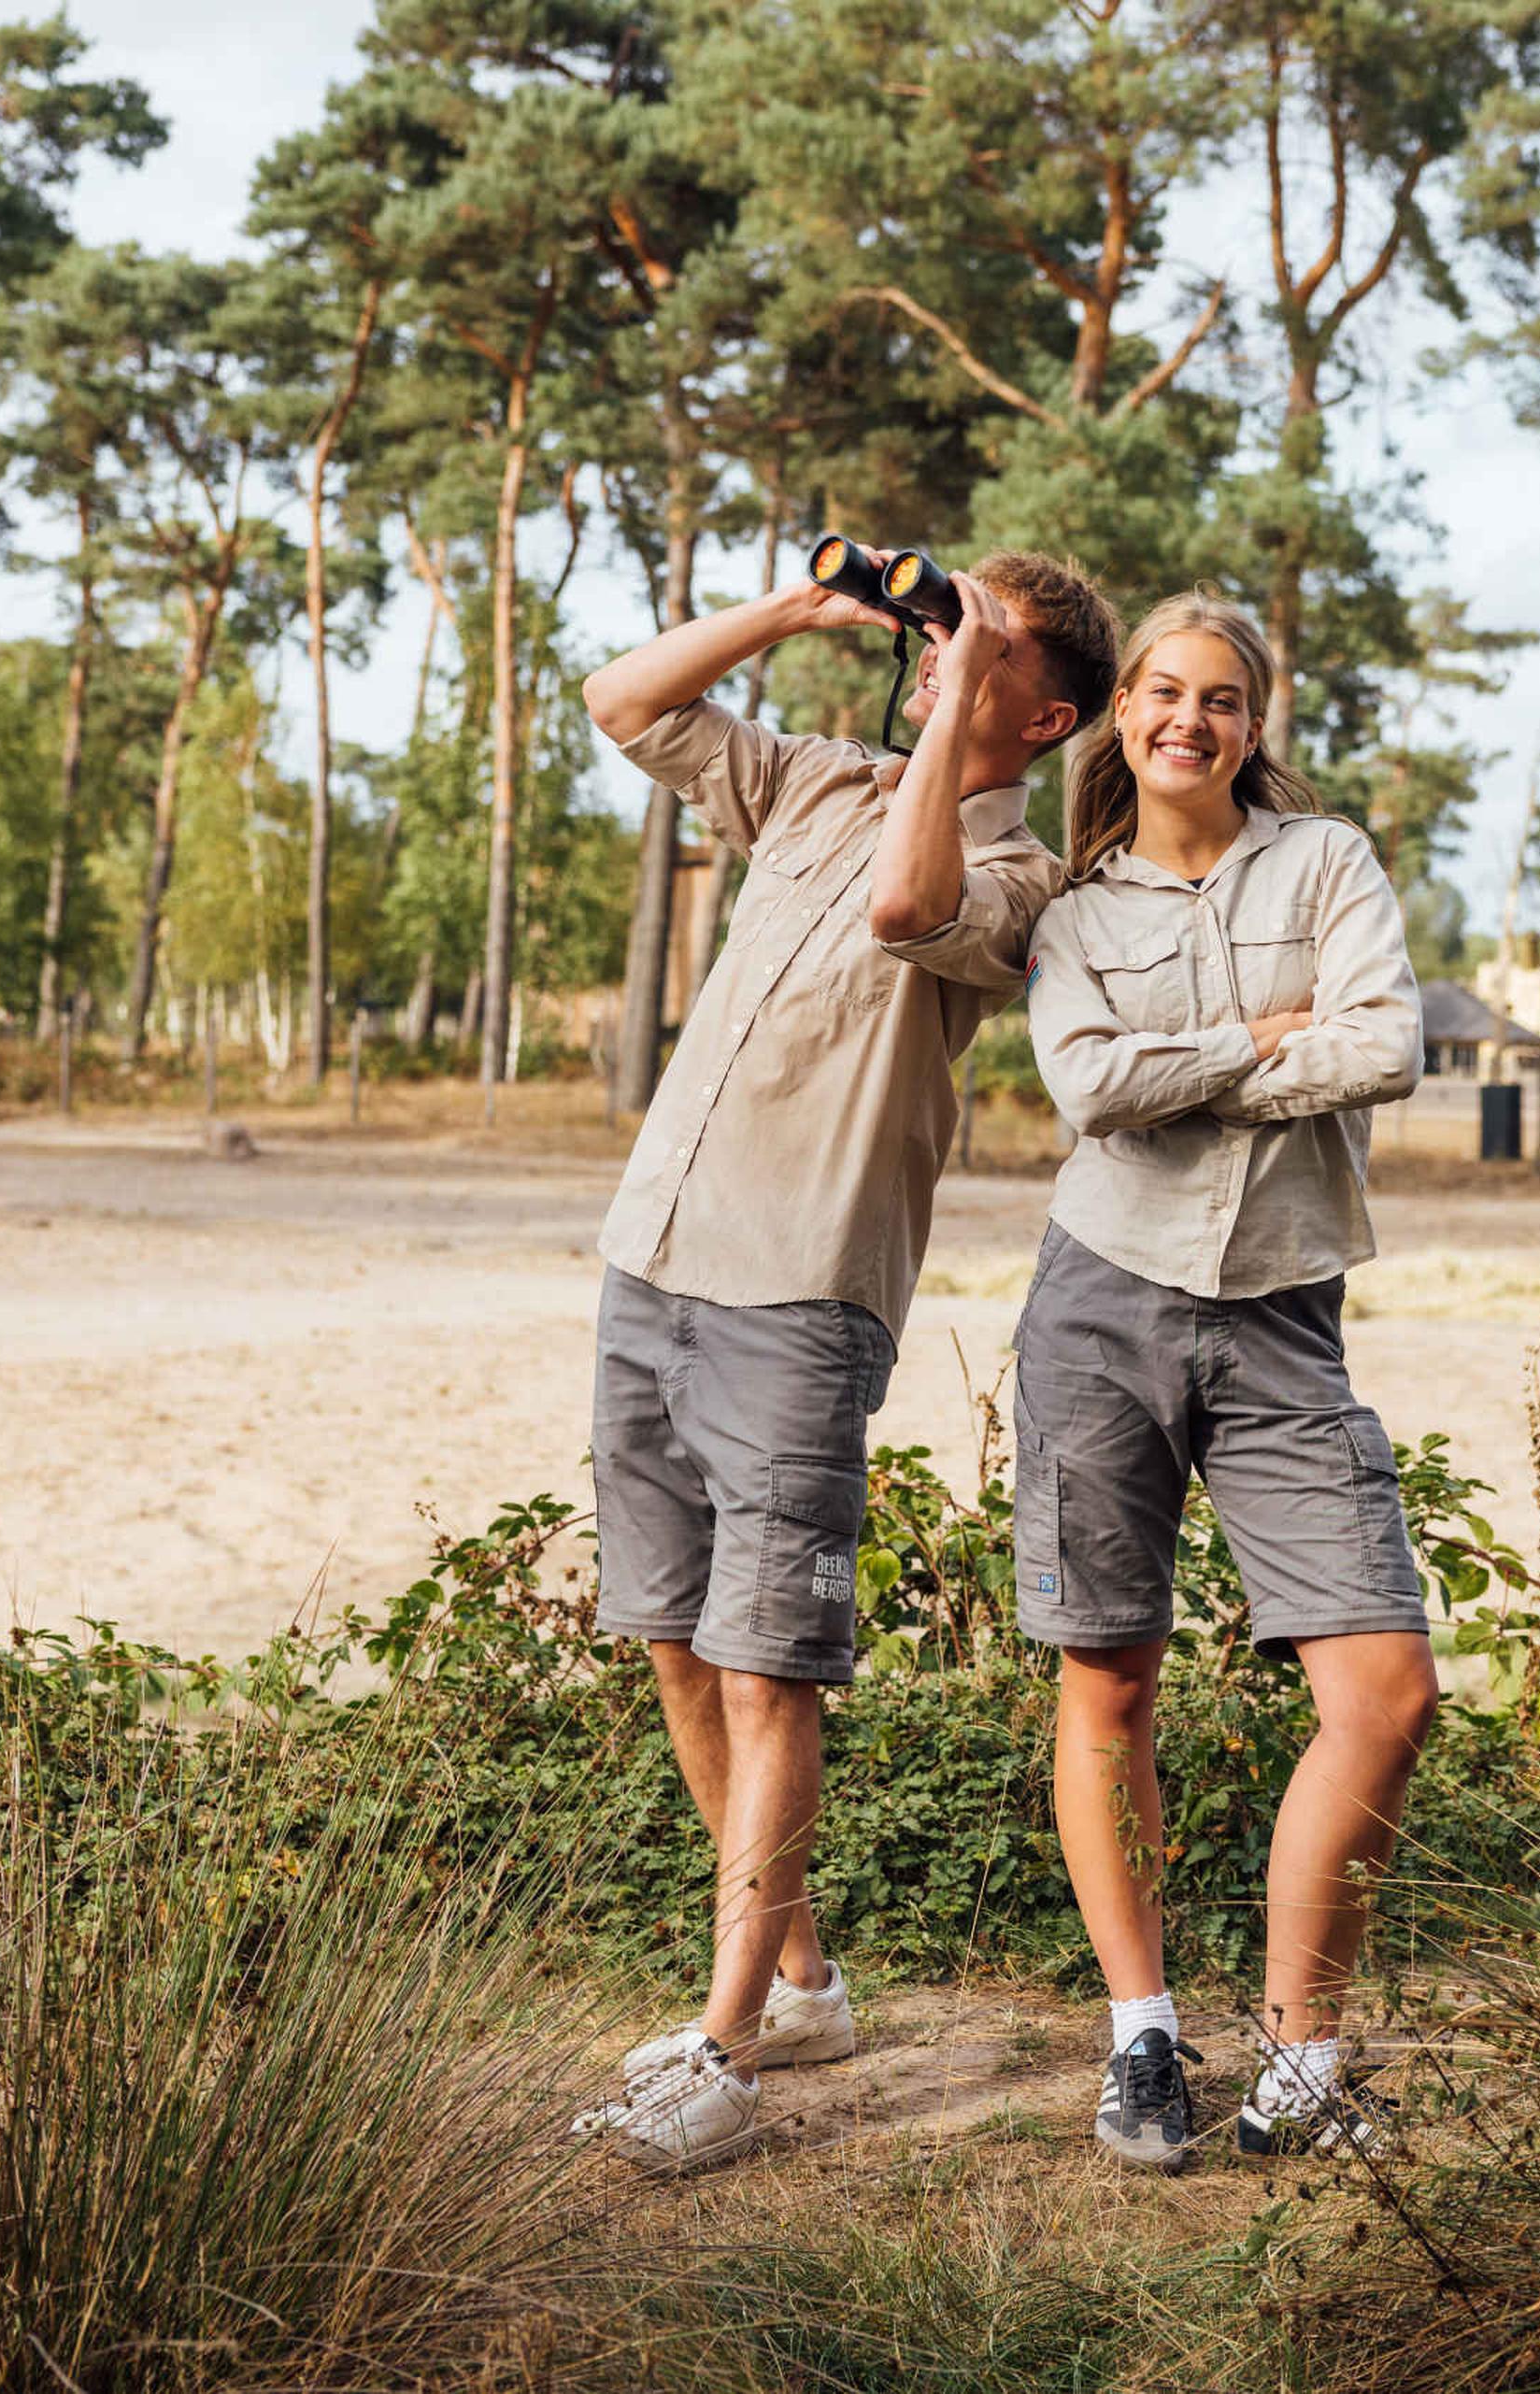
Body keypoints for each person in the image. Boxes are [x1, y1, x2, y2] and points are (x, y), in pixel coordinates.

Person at [573, 547, 1122, 2173]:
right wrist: (810, 612)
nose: (950, 647)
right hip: (656, 1250)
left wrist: (950, 712)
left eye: (994, 645)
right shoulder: (822, 780)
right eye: (956, 625)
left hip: (804, 1287)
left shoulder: (1025, 878)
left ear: (1053, 712)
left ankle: (724, 2047)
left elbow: (906, 904)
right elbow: (622, 700)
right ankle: (805, 1982)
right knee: (674, 1642)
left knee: (767, 1665)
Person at [1010, 591, 1439, 2173]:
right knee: (1108, 1684)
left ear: (1255, 724)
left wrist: (1193, 1058)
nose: (1190, 719)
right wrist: (1259, 1038)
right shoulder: (1073, 914)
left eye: (1223, 699)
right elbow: (1087, 1088)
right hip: (1098, 1308)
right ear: (1122, 714)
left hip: (1280, 1320)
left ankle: (1299, 2061)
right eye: (1162, 692)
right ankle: (1140, 2039)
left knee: (1386, 1691)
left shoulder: (1325, 864)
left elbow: (1385, 1044)